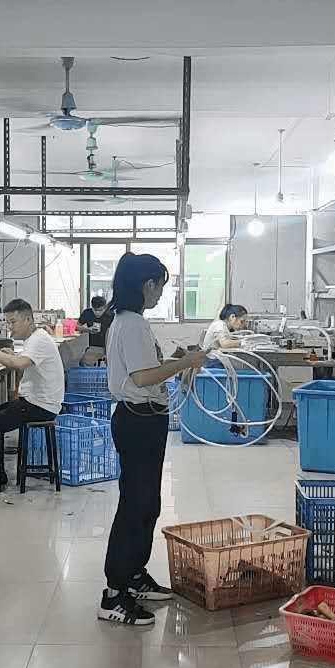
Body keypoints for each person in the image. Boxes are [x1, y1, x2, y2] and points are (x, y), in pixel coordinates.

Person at [99, 253, 207, 625]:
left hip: (145, 418)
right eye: (160, 285)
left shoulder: (131, 322)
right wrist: (185, 363)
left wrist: (173, 358)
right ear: (147, 285)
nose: (161, 293)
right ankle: (114, 594)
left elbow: (145, 368)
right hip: (137, 420)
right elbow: (143, 378)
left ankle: (134, 575)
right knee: (134, 505)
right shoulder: (130, 324)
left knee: (147, 504)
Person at [0, 298, 65, 498]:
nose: (10, 327)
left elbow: (19, 364)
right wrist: (10, 354)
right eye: (8, 322)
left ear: (28, 319)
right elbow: (23, 359)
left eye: (13, 322)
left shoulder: (38, 340)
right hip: (38, 401)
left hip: (41, 406)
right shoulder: (36, 338)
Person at [77, 295, 112, 365]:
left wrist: (107, 352)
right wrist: (87, 329)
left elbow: (110, 335)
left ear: (105, 308)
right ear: (92, 307)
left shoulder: (110, 316)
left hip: (110, 346)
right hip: (94, 347)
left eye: (101, 310)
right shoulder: (87, 313)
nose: (98, 313)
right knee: (83, 363)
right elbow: (76, 326)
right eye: (95, 310)